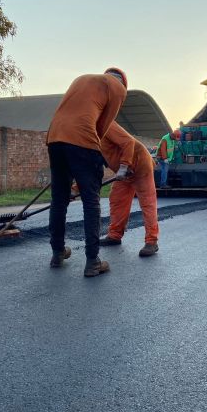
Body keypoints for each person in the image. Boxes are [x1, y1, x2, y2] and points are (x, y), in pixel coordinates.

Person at [46, 68, 127, 277]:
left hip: (55, 137)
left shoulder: (82, 79)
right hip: (82, 140)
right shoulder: (118, 88)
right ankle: (93, 261)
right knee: (91, 202)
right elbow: (103, 126)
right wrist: (95, 155)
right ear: (123, 83)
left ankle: (57, 253)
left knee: (59, 200)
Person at [98, 122, 159, 257]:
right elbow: (91, 164)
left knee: (147, 203)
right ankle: (115, 235)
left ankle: (152, 241)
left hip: (140, 164)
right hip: (123, 172)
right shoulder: (88, 135)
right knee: (117, 199)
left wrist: (124, 166)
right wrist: (76, 188)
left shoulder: (105, 124)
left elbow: (128, 142)